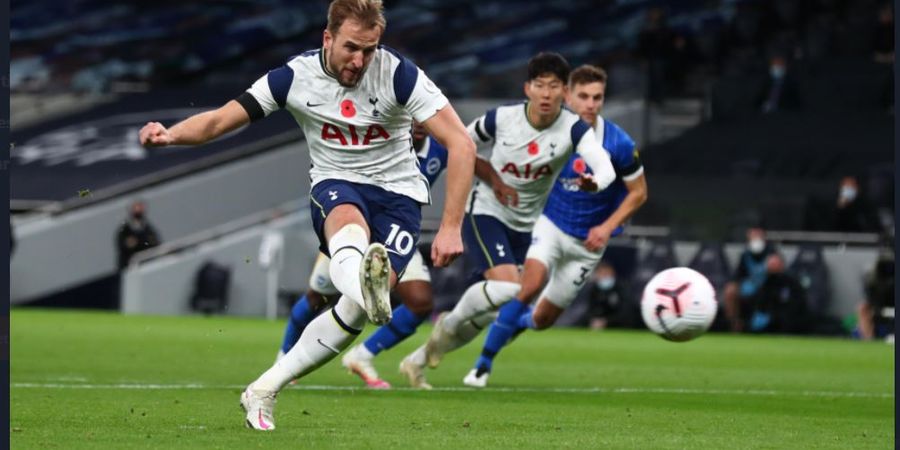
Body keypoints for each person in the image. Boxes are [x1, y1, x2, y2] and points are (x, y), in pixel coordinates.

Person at [139, 0, 476, 431]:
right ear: (327, 38)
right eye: (352, 47)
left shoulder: (399, 74)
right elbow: (221, 120)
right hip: (336, 183)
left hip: (399, 196)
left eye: (370, 49)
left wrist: (451, 226)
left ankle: (263, 389)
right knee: (349, 232)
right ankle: (363, 281)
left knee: (356, 312)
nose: (360, 60)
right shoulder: (293, 78)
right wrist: (170, 136)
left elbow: (461, 143)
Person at [399, 56, 618, 388]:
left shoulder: (573, 129)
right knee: (512, 290)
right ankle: (448, 321)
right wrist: (493, 179)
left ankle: (417, 360)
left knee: (491, 312)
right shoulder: (502, 119)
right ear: (527, 88)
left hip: (526, 225)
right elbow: (460, 145)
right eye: (540, 85)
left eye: (554, 86)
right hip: (486, 212)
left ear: (564, 92)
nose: (546, 94)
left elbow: (604, 166)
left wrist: (595, 181)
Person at [461, 65, 647, 387]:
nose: (590, 104)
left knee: (543, 319)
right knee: (526, 288)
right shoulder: (550, 133)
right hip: (548, 226)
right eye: (584, 96)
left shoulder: (618, 143)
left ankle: (506, 322)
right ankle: (481, 366)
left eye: (597, 97)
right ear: (568, 95)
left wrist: (606, 227)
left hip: (588, 243)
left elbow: (639, 193)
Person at [278, 122, 448, 390]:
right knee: (318, 297)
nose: (418, 125)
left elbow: (469, 153)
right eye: (411, 117)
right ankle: (285, 355)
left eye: (424, 118)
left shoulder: (441, 150)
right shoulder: (378, 140)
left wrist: (495, 182)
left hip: (396, 235)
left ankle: (362, 355)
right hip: (357, 230)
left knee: (420, 302)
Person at [723, 226, 778, 332]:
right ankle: (735, 325)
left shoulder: (772, 253)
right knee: (730, 291)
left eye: (758, 234)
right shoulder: (745, 255)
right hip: (748, 287)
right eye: (753, 234)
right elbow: (737, 276)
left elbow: (779, 274)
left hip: (768, 288)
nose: (756, 237)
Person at [745, 253, 808, 334]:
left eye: (774, 264)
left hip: (787, 322)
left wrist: (774, 317)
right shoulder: (765, 282)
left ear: (781, 265)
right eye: (770, 264)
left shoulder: (791, 283)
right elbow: (760, 302)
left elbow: (795, 306)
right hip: (769, 321)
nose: (771, 267)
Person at [856, 246, 894, 341]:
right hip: (880, 306)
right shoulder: (874, 277)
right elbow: (871, 296)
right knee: (862, 307)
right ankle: (868, 340)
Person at [586, 262, 636, 331]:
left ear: (613, 273)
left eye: (607, 273)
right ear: (597, 275)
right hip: (599, 326)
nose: (605, 276)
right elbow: (590, 309)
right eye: (602, 274)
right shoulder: (594, 290)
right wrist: (595, 320)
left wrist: (607, 322)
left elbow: (626, 312)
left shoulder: (622, 288)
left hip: (621, 327)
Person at [116, 200, 161, 269]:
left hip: (148, 265)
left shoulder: (148, 228)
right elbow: (125, 245)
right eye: (136, 207)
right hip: (130, 267)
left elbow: (155, 243)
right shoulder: (125, 230)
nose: (139, 210)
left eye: (140, 207)